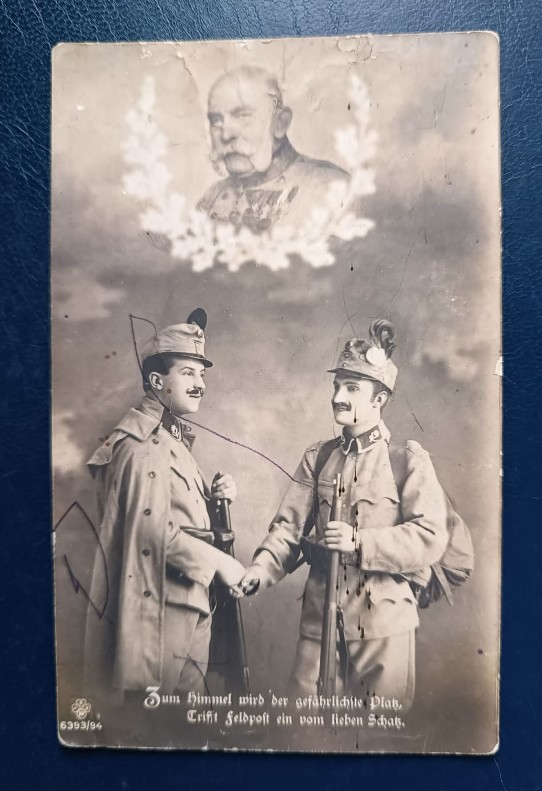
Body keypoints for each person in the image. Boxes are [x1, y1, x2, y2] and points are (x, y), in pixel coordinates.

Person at [238, 320, 452, 713]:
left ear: (379, 398)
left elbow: (430, 536)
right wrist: (259, 569)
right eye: (337, 385)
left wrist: (360, 542)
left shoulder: (406, 461)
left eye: (352, 388)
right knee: (301, 726)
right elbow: (287, 529)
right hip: (319, 621)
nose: (337, 396)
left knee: (375, 734)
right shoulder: (319, 457)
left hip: (383, 626)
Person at [84, 308, 245, 703]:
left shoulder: (170, 440)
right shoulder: (146, 443)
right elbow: (151, 532)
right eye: (188, 373)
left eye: (202, 374)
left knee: (182, 726)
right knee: (156, 724)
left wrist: (212, 499)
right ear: (157, 381)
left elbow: (172, 513)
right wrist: (221, 563)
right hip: (157, 610)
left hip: (185, 602)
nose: (200, 384)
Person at [199, 66, 349, 233]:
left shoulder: (332, 190)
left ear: (280, 123)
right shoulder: (211, 197)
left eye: (243, 116)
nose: (226, 135)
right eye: (216, 121)